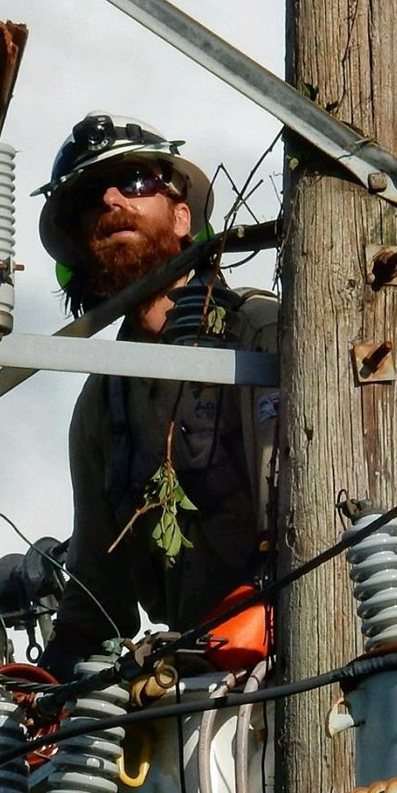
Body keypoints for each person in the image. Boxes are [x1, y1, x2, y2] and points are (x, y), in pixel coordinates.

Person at [33, 113, 278, 677]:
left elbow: (314, 528)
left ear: (183, 216)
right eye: (91, 197)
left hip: (299, 657)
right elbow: (98, 595)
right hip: (191, 686)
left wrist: (263, 613)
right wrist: (36, 693)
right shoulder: (103, 400)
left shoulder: (257, 337)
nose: (113, 199)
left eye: (138, 183)